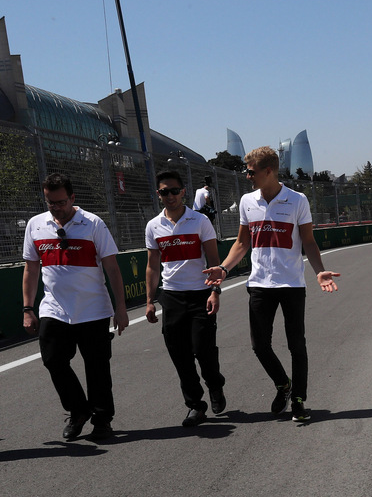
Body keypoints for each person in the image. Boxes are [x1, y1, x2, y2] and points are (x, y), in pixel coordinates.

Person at [205, 146, 339, 423]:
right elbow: (242, 244)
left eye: (251, 171)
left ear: (268, 171)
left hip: (291, 284)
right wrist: (224, 268)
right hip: (259, 284)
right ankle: (283, 384)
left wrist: (320, 271)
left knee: (296, 345)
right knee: (259, 346)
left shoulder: (297, 200)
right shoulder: (247, 202)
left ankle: (299, 400)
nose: (247, 175)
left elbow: (309, 242)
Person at [22, 172, 129, 441]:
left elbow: (113, 269)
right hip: (54, 309)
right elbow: (31, 268)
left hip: (93, 309)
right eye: (50, 202)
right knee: (53, 360)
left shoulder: (93, 223)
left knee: (97, 368)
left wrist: (121, 308)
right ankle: (78, 410)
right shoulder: (36, 225)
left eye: (60, 202)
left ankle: (102, 419)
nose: (56, 208)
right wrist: (27, 308)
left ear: (72, 198)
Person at [145, 170, 226, 426]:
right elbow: (152, 266)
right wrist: (149, 300)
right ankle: (195, 405)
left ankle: (215, 384)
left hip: (200, 294)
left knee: (203, 349)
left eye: (173, 191)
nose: (169, 196)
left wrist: (215, 291)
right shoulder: (153, 225)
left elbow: (214, 260)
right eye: (163, 192)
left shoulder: (200, 221)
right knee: (180, 355)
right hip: (171, 297)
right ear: (159, 195)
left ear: (183, 192)